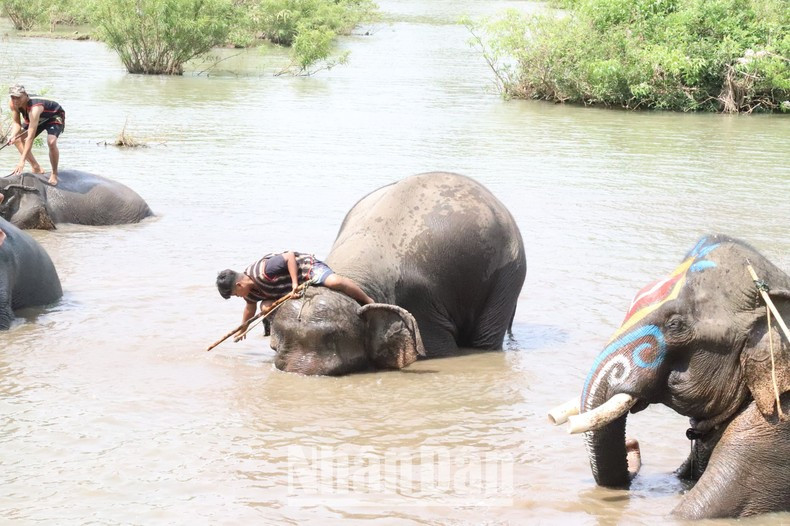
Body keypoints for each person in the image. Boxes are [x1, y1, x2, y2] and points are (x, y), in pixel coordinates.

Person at [216, 251, 375, 338]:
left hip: (304, 271)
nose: (239, 296)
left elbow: (289, 257)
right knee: (265, 308)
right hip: (282, 290)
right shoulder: (249, 293)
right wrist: (244, 327)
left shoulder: (264, 270)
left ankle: (368, 300)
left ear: (239, 284)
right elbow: (250, 309)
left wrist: (294, 284)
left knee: (335, 282)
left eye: (236, 293)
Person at [6, 84, 66, 186]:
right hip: (36, 119)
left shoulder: (35, 108)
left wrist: (22, 161)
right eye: (13, 97)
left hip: (53, 117)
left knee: (51, 142)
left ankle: (54, 173)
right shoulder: (13, 104)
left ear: (25, 95)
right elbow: (16, 123)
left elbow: (30, 137)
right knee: (17, 139)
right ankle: (36, 167)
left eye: (18, 97)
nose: (15, 100)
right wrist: (12, 135)